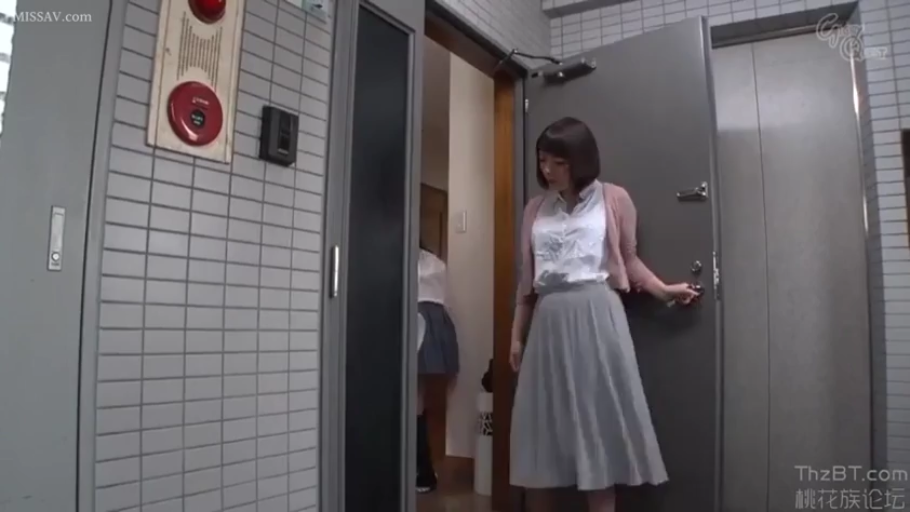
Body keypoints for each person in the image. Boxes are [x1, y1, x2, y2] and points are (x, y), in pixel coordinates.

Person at [509, 117, 701, 512]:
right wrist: (516, 336)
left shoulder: (613, 198)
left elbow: (628, 260)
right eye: (543, 160)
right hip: (548, 322)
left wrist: (663, 289)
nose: (548, 170)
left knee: (599, 427)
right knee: (543, 432)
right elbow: (526, 282)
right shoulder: (534, 209)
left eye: (559, 162)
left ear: (580, 160)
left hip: (598, 316)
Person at [416, 242, 460, 493]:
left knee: (416, 400)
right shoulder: (436, 264)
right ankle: (422, 469)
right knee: (419, 400)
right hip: (434, 324)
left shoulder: (426, 265)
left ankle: (422, 470)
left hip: (420, 323)